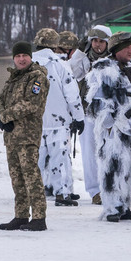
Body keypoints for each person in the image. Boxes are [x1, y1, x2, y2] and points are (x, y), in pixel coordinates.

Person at [85, 31, 131, 222]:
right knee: (112, 168)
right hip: (114, 131)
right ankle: (112, 207)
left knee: (130, 167)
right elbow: (97, 101)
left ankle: (125, 204)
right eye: (127, 47)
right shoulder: (104, 70)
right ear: (116, 49)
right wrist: (110, 123)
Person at [0, 41, 50, 231]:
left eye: (24, 55)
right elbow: (0, 99)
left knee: (31, 176)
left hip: (27, 135)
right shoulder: (13, 78)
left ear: (30, 57)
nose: (21, 59)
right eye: (17, 56)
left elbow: (31, 104)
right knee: (17, 178)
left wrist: (4, 116)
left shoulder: (37, 77)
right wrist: (3, 116)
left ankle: (39, 217)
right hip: (11, 136)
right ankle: (21, 215)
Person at [32, 28, 86, 206]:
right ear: (56, 45)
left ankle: (34, 194)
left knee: (35, 159)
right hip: (59, 122)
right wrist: (79, 117)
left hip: (34, 122)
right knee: (60, 159)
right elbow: (72, 95)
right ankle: (62, 194)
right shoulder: (60, 65)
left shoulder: (28, 63)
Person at [80, 25, 112, 205]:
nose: (97, 45)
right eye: (94, 41)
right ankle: (94, 190)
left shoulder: (113, 61)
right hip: (87, 112)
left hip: (108, 113)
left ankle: (112, 187)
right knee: (89, 152)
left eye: (101, 41)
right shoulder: (83, 60)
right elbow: (72, 72)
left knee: (112, 151)